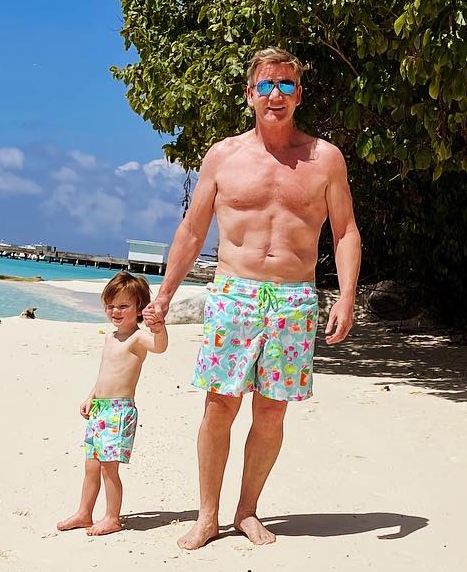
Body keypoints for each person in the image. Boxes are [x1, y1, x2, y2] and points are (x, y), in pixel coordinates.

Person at [144, 46, 361, 549]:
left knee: (271, 411)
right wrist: (164, 295)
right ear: (249, 94)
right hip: (233, 294)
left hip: (294, 300)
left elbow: (345, 231)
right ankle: (207, 515)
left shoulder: (324, 158)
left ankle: (247, 511)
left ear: (299, 94)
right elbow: (193, 229)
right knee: (220, 405)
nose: (276, 95)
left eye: (286, 85)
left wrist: (345, 295)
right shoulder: (223, 155)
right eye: (266, 85)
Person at [57, 271, 168, 536]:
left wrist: (159, 327)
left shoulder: (138, 338)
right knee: (91, 465)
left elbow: (160, 347)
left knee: (109, 467)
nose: (115, 311)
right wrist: (90, 397)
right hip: (100, 409)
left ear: (139, 309)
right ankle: (84, 513)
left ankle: (111, 518)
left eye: (123, 306)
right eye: (111, 305)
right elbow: (104, 374)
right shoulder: (110, 337)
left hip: (119, 411)